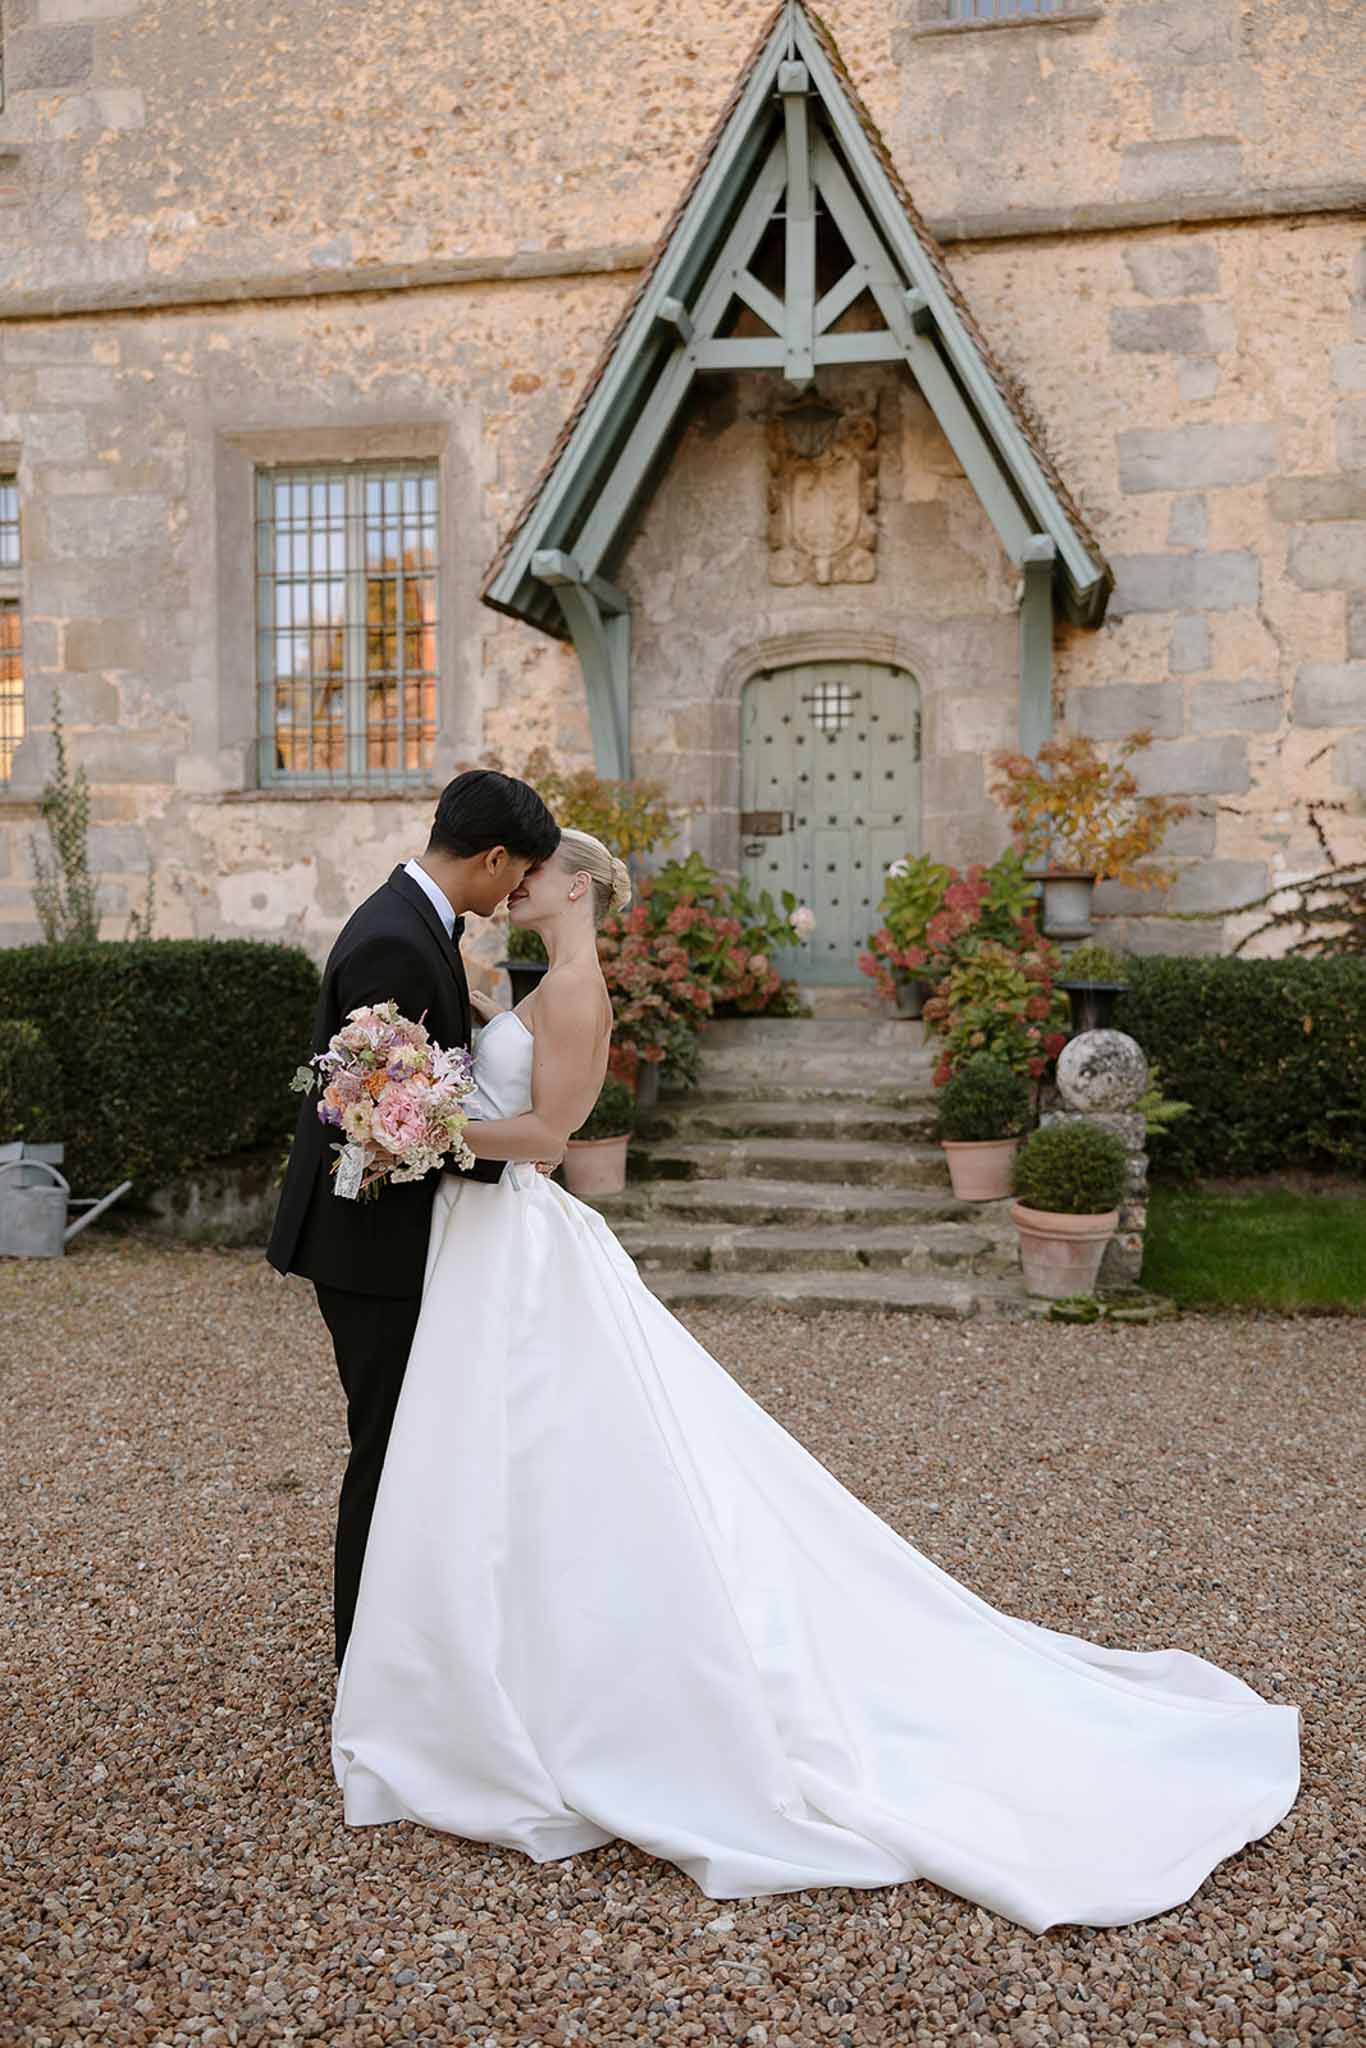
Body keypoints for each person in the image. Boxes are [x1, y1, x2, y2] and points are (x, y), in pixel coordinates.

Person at [328, 826, 1301, 1935]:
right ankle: (480, 1643)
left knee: (561, 1447)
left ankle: (556, 1670)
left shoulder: (578, 987)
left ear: (574, 889)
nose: (519, 880)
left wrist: (431, 1131)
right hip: (487, 1241)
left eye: (539, 870)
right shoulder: (533, 977)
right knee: (496, 1448)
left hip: (515, 1232)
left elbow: (549, 1131)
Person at [267, 768, 561, 1670]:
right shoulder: (396, 938)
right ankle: (367, 1662)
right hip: (368, 1242)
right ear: (495, 856)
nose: (516, 894)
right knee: (386, 1450)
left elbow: (415, 1086)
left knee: (405, 1442)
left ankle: (401, 1645)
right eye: (517, 877)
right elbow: (387, 1122)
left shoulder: (413, 920)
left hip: (386, 1230)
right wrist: (514, 1158)